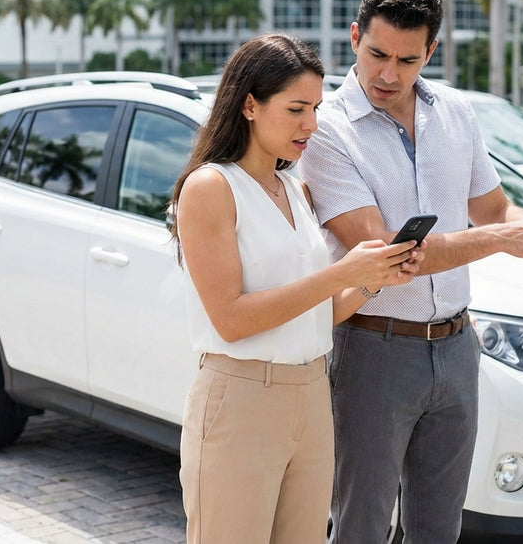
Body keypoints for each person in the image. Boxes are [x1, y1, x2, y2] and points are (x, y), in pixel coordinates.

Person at [296, 0, 523, 544]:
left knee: (440, 530)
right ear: (354, 37)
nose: (388, 74)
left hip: (459, 348)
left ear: (430, 51)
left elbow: (494, 211)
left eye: (407, 60)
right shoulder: (328, 131)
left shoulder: (457, 113)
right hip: (371, 351)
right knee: (360, 526)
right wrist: (504, 240)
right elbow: (383, 255)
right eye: (377, 53)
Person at [168, 33, 424, 544]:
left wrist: (373, 281)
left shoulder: (294, 186)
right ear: (249, 105)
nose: (312, 124)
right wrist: (341, 273)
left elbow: (319, 311)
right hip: (240, 398)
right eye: (297, 109)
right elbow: (233, 319)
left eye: (317, 108)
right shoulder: (210, 188)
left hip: (311, 395)